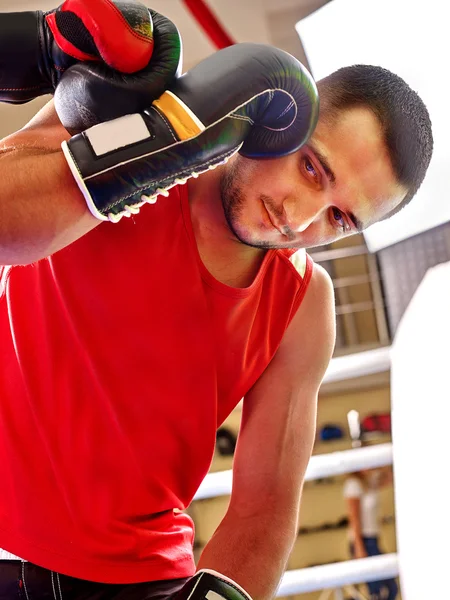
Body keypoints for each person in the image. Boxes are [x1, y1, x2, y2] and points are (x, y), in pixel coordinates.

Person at [0, 1, 433, 599]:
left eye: (339, 217)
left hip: (137, 581)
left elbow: (264, 509)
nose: (298, 221)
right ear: (283, 114)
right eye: (312, 169)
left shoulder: (304, 303)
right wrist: (154, 149)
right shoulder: (127, 115)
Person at [344, 468, 398, 600]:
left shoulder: (369, 482)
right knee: (377, 589)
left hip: (373, 540)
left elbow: (390, 476)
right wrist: (359, 548)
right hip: (363, 541)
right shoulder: (353, 484)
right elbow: (354, 519)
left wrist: (376, 465)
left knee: (391, 587)